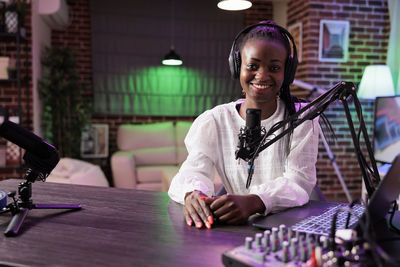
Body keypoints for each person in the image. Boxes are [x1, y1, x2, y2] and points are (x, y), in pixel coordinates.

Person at [168, 21, 320, 229]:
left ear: (288, 72)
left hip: (290, 226)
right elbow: (192, 172)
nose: (262, 75)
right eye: (253, 65)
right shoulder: (214, 121)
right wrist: (193, 194)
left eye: (274, 67)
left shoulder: (302, 118)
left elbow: (298, 181)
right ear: (237, 66)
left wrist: (255, 200)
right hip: (239, 228)